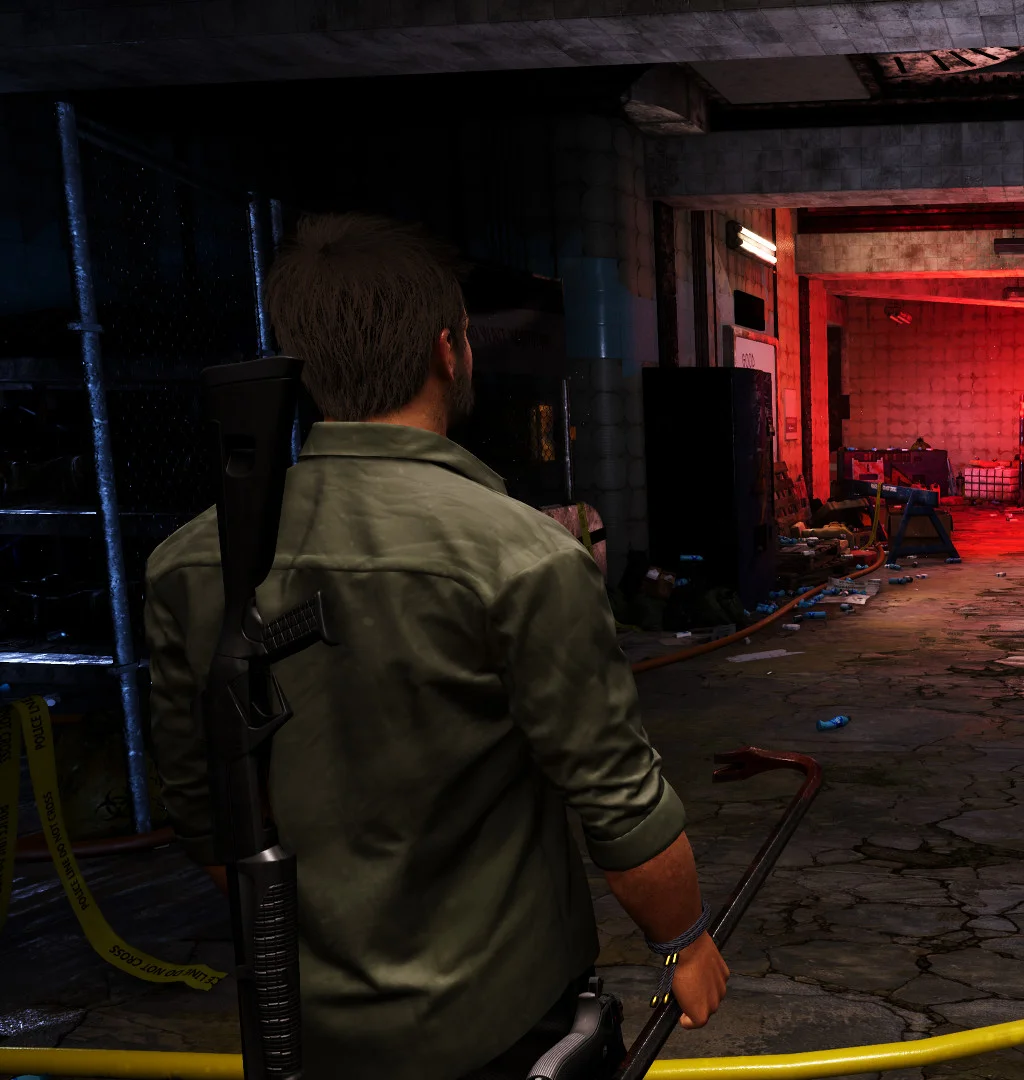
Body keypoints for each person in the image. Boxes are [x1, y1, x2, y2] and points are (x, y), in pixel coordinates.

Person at [145, 213, 727, 1079]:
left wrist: (307, 939)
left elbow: (198, 802)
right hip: (496, 1017)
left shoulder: (192, 559)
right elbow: (616, 796)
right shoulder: (523, 555)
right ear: (448, 351)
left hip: (305, 1019)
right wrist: (684, 941)